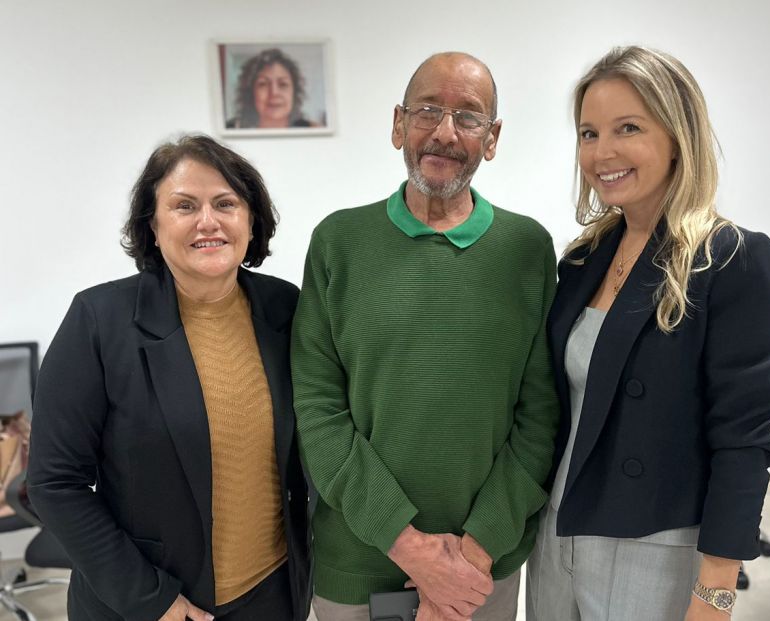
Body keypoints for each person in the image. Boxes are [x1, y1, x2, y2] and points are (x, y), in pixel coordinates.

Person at [291, 51, 559, 621]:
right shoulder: (338, 242)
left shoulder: (527, 249)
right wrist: (414, 551)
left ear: (492, 138)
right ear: (397, 124)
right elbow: (318, 413)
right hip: (356, 568)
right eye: (427, 110)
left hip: (483, 569)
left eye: (468, 116)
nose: (444, 132)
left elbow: (540, 418)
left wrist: (472, 553)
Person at [527, 46, 770, 621]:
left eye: (628, 128)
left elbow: (744, 439)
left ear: (678, 134)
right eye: (589, 133)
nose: (603, 152)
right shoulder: (581, 260)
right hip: (556, 533)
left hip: (655, 543)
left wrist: (716, 588)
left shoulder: (731, 260)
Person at [28, 135, 311, 621]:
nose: (208, 221)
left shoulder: (285, 308)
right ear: (153, 227)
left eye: (226, 203)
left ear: (251, 220)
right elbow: (55, 483)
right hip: (147, 602)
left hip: (271, 595)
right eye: (185, 205)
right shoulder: (99, 320)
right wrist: (151, 600)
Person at [227, 48, 314, 129]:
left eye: (283, 84)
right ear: (250, 93)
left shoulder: (313, 130)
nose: (274, 92)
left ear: (294, 92)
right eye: (263, 84)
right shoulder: (229, 129)